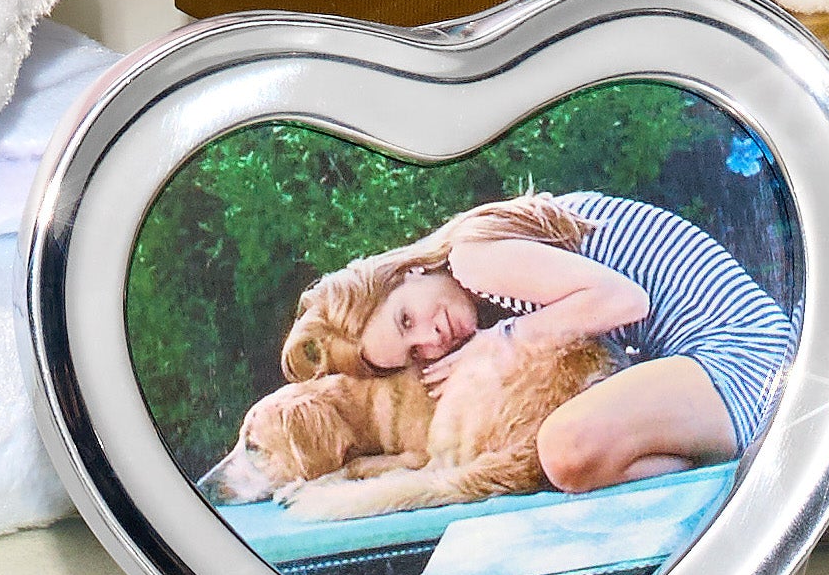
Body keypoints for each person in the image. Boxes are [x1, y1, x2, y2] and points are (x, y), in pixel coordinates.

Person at [290, 188, 794, 491]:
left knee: (563, 448)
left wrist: (501, 339)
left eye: (406, 319)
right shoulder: (479, 283)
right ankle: (710, 470)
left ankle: (720, 473)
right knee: (567, 463)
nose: (430, 338)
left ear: (408, 273)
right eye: (415, 351)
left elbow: (625, 300)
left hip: (742, 358)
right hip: (709, 371)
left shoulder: (472, 257)